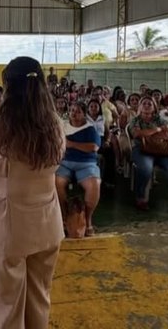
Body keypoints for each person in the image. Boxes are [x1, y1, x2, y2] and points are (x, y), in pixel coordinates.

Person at [0, 56, 65, 329]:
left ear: (8, 87)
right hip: (47, 223)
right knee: (39, 301)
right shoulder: (56, 125)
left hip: (9, 225)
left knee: (6, 309)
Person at [128, 97, 168, 214]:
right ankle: (141, 197)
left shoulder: (161, 119)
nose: (147, 105)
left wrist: (148, 134)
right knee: (145, 169)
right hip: (142, 149)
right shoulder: (135, 120)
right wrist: (157, 130)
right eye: (144, 103)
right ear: (139, 107)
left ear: (154, 107)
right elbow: (137, 134)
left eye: (150, 104)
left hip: (163, 149)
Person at [56, 101, 101, 235]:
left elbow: (93, 147)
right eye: (72, 110)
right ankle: (65, 217)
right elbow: (57, 144)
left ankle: (87, 219)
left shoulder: (90, 129)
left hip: (86, 164)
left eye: (78, 111)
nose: (74, 114)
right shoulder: (62, 126)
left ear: (84, 114)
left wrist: (71, 144)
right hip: (64, 162)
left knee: (94, 184)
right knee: (56, 182)